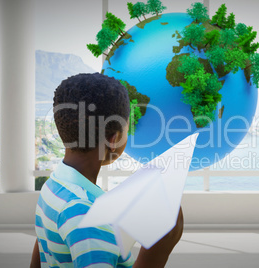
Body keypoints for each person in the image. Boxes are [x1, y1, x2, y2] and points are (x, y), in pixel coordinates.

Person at [30, 73, 183, 268]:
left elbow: (44, 250)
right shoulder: (89, 218)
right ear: (114, 139)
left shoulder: (53, 187)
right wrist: (156, 253)